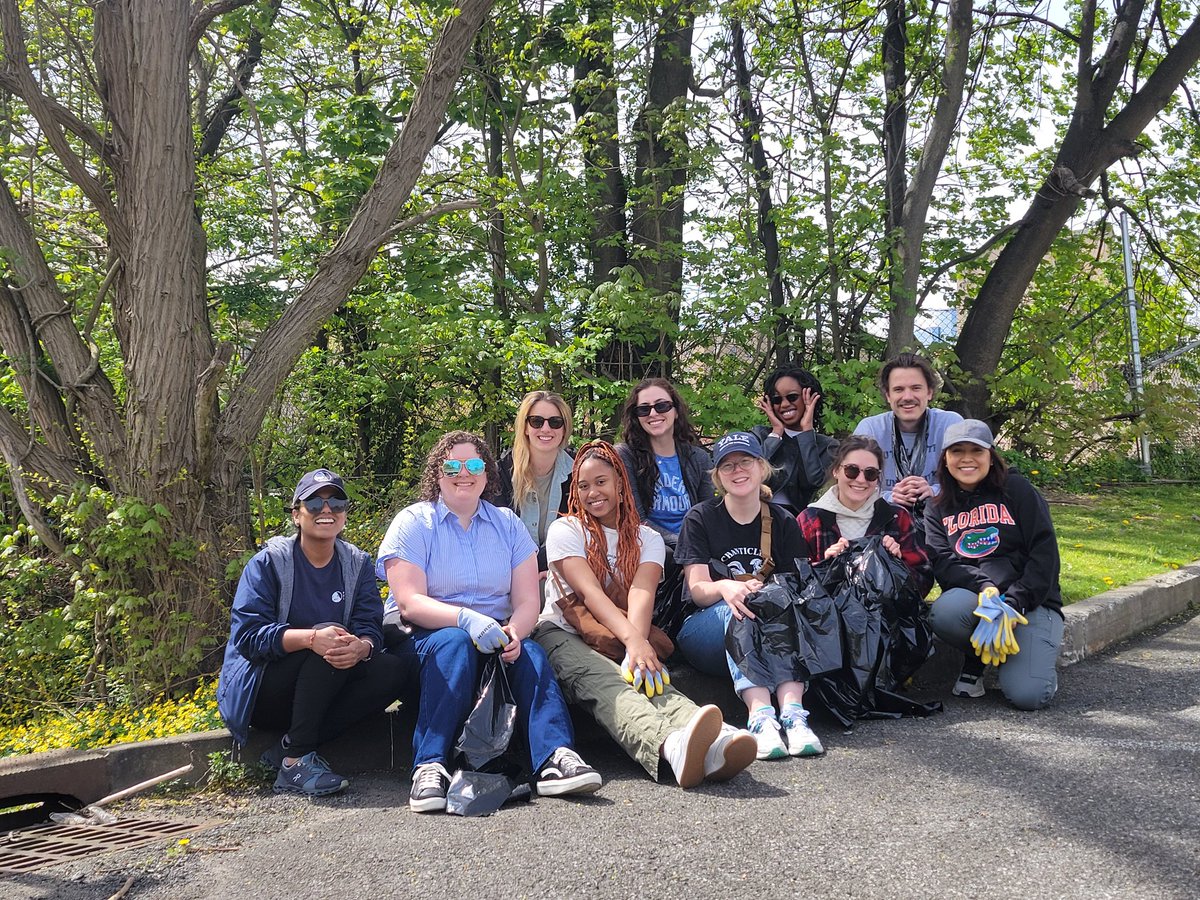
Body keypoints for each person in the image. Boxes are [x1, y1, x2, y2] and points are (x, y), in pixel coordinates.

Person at [378, 431, 602, 813]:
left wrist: (516, 630)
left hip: (496, 633)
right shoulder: (414, 522)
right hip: (426, 639)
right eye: (452, 465)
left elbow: (528, 599)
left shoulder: (508, 525)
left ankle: (554, 757)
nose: (463, 473)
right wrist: (465, 619)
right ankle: (429, 766)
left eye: (474, 465)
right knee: (454, 643)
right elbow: (409, 602)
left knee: (530, 653)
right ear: (437, 472)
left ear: (487, 473)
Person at [533, 440, 757, 788]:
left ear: (621, 485)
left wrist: (635, 650)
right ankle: (671, 745)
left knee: (648, 672)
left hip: (621, 629)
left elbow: (641, 592)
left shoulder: (646, 538)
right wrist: (634, 643)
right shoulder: (566, 530)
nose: (592, 492)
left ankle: (713, 738)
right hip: (561, 631)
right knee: (608, 681)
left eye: (601, 482)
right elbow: (590, 592)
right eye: (583, 485)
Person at [217, 469, 410, 797]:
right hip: (264, 689)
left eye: (336, 503)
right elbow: (248, 636)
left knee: (391, 669)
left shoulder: (357, 564)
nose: (326, 511)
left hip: (323, 685)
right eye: (314, 503)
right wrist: (309, 639)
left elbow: (369, 625)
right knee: (325, 647)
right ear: (296, 514)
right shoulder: (268, 563)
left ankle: (286, 748)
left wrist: (361, 647)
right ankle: (295, 764)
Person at [673, 432, 825, 760]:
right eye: (727, 466)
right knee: (740, 606)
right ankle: (760, 715)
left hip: (768, 629)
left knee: (778, 605)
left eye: (745, 462)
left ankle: (793, 714)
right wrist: (725, 587)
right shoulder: (700, 518)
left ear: (761, 467)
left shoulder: (783, 521)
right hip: (706, 630)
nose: (737, 470)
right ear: (717, 476)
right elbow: (698, 590)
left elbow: (797, 589)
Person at [924, 420, 1064, 710]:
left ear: (991, 455)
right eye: (957, 451)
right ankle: (979, 658)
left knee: (1029, 695)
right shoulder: (937, 506)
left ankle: (1026, 658)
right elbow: (943, 562)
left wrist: (1014, 602)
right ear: (945, 459)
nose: (966, 459)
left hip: (1031, 602)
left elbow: (1045, 553)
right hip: (980, 600)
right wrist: (985, 587)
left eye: (976, 450)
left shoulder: (1017, 489)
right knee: (945, 613)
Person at [796, 435, 933, 596]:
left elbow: (923, 582)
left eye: (870, 473)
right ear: (836, 471)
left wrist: (895, 563)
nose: (861, 480)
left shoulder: (898, 517)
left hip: (886, 618)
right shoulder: (810, 520)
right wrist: (826, 566)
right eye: (851, 470)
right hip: (826, 618)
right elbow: (796, 583)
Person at [853, 352, 963, 520]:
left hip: (943, 519)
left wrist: (933, 491)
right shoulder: (870, 429)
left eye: (916, 388)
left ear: (930, 392)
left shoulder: (950, 425)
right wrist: (890, 497)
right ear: (888, 396)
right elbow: (851, 486)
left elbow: (972, 481)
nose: (908, 397)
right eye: (898, 389)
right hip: (884, 522)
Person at [615, 378, 714, 547]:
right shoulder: (625, 456)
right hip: (647, 546)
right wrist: (682, 545)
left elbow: (708, 515)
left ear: (676, 411)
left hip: (695, 544)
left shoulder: (699, 458)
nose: (653, 414)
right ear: (636, 417)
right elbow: (636, 519)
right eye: (644, 409)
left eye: (662, 406)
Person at [497, 390, 575, 573]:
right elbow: (497, 537)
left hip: (562, 572)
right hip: (510, 573)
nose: (546, 429)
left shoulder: (579, 472)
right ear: (525, 427)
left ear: (564, 429)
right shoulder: (501, 473)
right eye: (536, 421)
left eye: (555, 422)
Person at [751, 366, 838, 514]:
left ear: (809, 397)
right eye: (777, 399)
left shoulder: (828, 446)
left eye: (792, 397)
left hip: (803, 522)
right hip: (759, 516)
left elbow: (815, 483)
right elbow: (751, 474)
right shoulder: (760, 435)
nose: (784, 404)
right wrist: (776, 434)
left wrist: (807, 433)